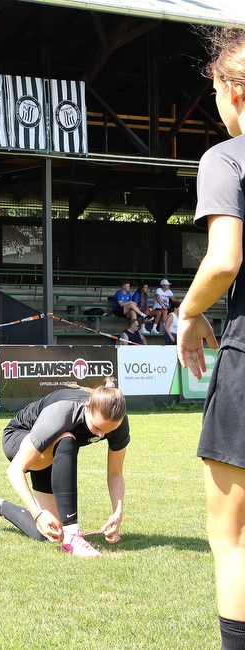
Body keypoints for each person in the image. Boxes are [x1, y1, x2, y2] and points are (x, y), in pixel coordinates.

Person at [177, 30, 245, 650]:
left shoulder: (227, 158)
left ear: (232, 90)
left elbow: (224, 261)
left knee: (233, 536)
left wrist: (188, 312)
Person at [0, 378, 129, 558]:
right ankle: (72, 536)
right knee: (67, 439)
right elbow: (15, 470)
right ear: (87, 408)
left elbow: (115, 473)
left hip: (54, 450)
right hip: (20, 438)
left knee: (50, 532)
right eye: (97, 427)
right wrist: (38, 514)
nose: (101, 435)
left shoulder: (117, 420)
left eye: (108, 431)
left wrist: (118, 513)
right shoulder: (62, 413)